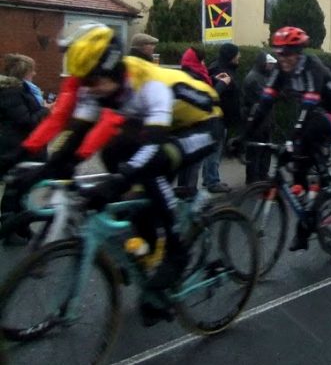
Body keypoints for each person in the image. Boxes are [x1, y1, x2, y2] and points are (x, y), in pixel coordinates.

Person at [20, 25, 223, 324]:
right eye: (85, 81)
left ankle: (177, 250)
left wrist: (117, 182)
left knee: (156, 162)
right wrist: (45, 170)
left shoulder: (150, 84)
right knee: (114, 151)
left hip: (202, 124)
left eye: (94, 80)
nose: (89, 87)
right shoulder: (99, 86)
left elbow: (153, 148)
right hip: (161, 127)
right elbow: (75, 136)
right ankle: (147, 224)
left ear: (112, 68)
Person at [239, 26, 331, 252]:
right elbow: (263, 105)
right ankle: (306, 221)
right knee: (297, 167)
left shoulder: (312, 66)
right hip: (315, 115)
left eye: (289, 53)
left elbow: (310, 106)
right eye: (280, 53)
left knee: (307, 132)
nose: (284, 58)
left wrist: (293, 139)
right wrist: (244, 136)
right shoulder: (281, 71)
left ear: (299, 52)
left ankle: (328, 180)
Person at [0, 54, 50, 242]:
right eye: (32, 70)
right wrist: (46, 110)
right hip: (18, 148)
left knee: (24, 190)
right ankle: (10, 230)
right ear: (23, 71)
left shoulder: (22, 90)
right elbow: (25, 121)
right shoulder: (11, 92)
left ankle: (21, 228)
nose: (35, 73)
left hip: (27, 147)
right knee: (16, 191)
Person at [201, 43, 240, 193]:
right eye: (237, 54)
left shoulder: (222, 68)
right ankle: (212, 181)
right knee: (214, 150)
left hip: (221, 116)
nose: (239, 57)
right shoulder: (220, 70)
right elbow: (215, 93)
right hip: (217, 117)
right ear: (231, 55)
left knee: (214, 149)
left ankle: (209, 178)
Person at [240, 51, 276, 183]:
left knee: (266, 149)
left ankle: (262, 174)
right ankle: (253, 178)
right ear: (263, 63)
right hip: (256, 121)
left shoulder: (263, 76)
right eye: (269, 64)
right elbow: (264, 99)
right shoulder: (254, 78)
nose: (271, 67)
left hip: (265, 120)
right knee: (255, 150)